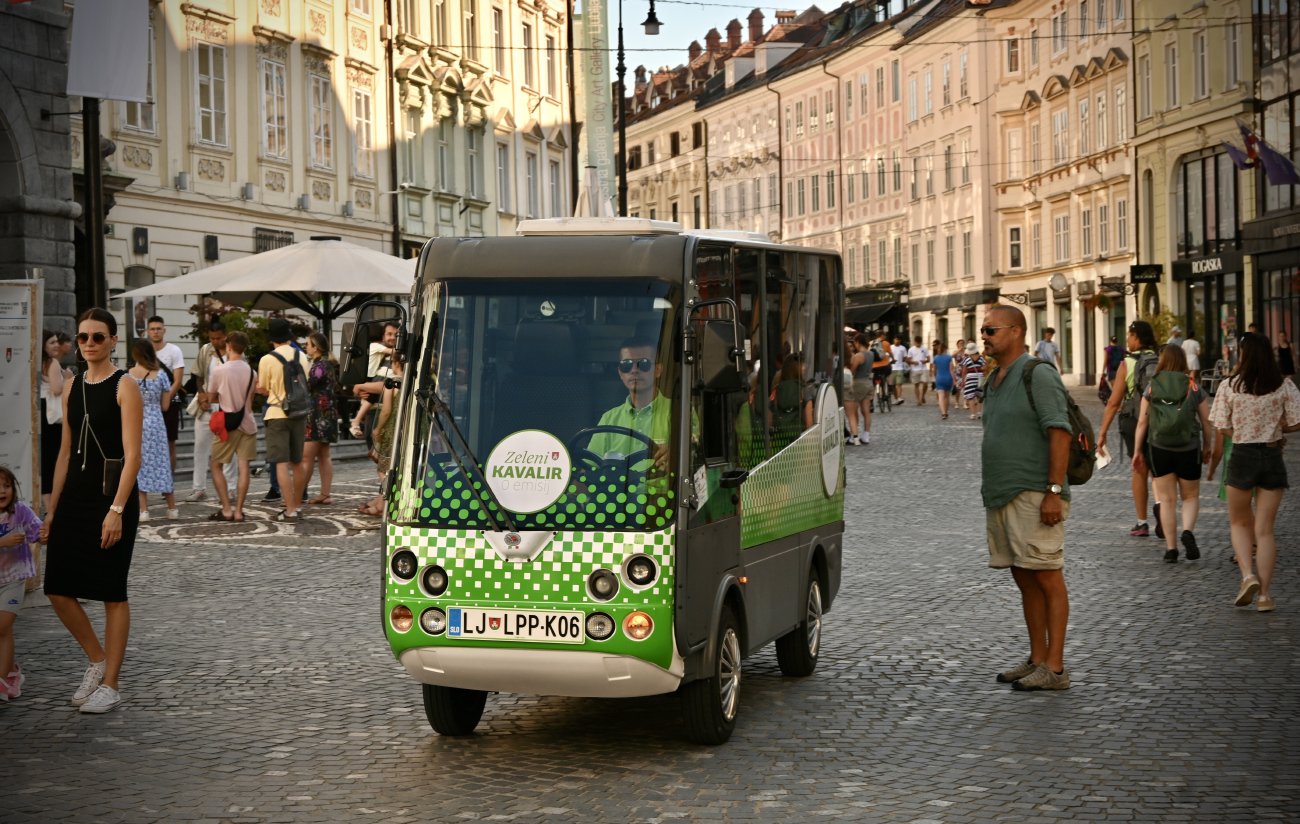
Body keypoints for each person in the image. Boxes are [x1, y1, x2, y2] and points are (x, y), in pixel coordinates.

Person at [40, 308, 143, 714]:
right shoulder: (71, 385)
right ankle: (97, 661)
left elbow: (133, 455)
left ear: (113, 341)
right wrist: (52, 509)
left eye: (98, 337)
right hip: (76, 498)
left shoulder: (126, 385)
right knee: (58, 588)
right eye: (83, 337)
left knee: (111, 592)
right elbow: (65, 451)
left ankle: (111, 683)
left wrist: (117, 509)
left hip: (111, 497)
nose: (89, 344)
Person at [979, 306, 1074, 691]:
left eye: (991, 329)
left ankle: (1056, 668)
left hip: (1035, 493)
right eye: (982, 330)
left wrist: (1052, 491)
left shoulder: (1039, 373)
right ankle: (1037, 657)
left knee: (1048, 576)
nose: (984, 335)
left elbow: (1060, 432)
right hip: (1003, 494)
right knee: (1024, 576)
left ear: (1016, 331)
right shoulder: (995, 378)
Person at [1210, 332, 1300, 612]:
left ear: (1244, 354)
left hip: (1242, 454)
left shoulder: (1230, 386)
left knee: (1238, 523)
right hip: (1272, 456)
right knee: (1265, 532)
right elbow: (1297, 422)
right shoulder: (1284, 385)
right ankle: (1265, 596)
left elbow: (1222, 426)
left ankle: (1247, 576)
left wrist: (1243, 430)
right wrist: (1275, 429)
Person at [1130, 345, 1212, 563]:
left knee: (1166, 500)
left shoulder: (1152, 387)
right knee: (1191, 496)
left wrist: (1138, 451)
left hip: (1159, 448)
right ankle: (1187, 531)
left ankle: (1171, 549)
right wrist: (1207, 446)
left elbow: (1142, 423)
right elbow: (1206, 422)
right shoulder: (1193, 386)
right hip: (1189, 448)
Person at [1097, 321, 1160, 537]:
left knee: (1139, 467)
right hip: (1161, 420)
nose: (1127, 340)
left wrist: (1103, 432)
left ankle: (1142, 522)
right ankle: (1161, 506)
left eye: (1129, 335)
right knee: (1158, 468)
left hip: (1133, 420)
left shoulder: (1127, 364)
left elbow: (1114, 403)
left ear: (1136, 337)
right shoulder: (1162, 359)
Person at [589, 339, 673, 472]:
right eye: (626, 365)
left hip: (664, 493)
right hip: (614, 492)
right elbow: (589, 469)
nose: (634, 370)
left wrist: (677, 452)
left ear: (658, 370)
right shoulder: (608, 419)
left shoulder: (680, 412)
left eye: (643, 364)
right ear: (621, 373)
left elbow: (694, 453)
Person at [258, 318, 311, 521]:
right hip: (299, 413)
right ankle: (297, 505)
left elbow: (263, 388)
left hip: (277, 413)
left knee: (281, 463)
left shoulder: (267, 359)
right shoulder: (302, 356)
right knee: (297, 462)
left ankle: (289, 510)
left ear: (272, 337)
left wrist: (262, 389)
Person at [206, 332, 257, 522]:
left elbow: (211, 397)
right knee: (244, 468)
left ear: (228, 347)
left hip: (227, 425)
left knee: (216, 465)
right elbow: (250, 400)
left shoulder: (220, 370)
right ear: (244, 349)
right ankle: (238, 511)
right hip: (248, 424)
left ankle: (226, 508)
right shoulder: (252, 372)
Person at [0, 465, 41, 701]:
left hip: (14, 578)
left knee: (3, 627)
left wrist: (45, 534)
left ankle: (2, 682)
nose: (3, 491)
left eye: (7, 486)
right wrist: (3, 542)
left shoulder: (21, 511)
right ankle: (13, 672)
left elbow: (38, 533)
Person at [185, 319, 237, 502]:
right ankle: (198, 488)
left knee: (228, 448)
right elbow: (198, 375)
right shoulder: (205, 350)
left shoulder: (234, 351)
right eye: (212, 338)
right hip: (206, 407)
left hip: (227, 407)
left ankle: (231, 489)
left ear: (226, 335)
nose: (215, 341)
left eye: (219, 338)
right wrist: (201, 394)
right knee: (200, 448)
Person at [128, 339, 178, 522]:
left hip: (137, 423)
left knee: (139, 464)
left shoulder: (129, 375)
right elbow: (165, 406)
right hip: (156, 424)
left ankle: (144, 511)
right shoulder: (162, 375)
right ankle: (172, 508)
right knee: (163, 463)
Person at [301, 331, 339, 504]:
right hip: (328, 412)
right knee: (324, 454)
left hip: (318, 413)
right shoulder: (327, 363)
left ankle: (297, 494)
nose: (306, 347)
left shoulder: (320, 365)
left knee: (307, 456)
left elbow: (308, 386)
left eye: (308, 344)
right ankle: (325, 493)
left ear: (315, 347)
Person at [39, 331, 74, 516]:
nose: (55, 345)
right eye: (51, 342)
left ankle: (48, 505)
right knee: (54, 458)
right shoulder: (52, 362)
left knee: (46, 459)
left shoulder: (41, 362)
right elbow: (57, 388)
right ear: (43, 345)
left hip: (43, 411)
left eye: (56, 342)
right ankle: (53, 507)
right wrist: (68, 377)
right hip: (51, 415)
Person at [146, 316, 185, 472]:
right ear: (148, 332)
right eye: (153, 329)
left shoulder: (174, 351)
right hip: (149, 404)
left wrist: (166, 400)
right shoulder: (145, 352)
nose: (156, 332)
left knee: (169, 443)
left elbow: (178, 380)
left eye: (158, 329)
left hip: (171, 402)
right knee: (149, 444)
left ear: (164, 330)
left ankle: (167, 483)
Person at [350, 322, 399, 439]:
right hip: (372, 415)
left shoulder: (399, 360)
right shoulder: (380, 353)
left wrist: (360, 386)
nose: (392, 337)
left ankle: (356, 421)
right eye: (389, 334)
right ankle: (357, 420)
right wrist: (358, 388)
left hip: (389, 415)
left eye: (396, 335)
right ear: (383, 336)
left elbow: (388, 385)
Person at [845, 333, 873, 445]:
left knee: (853, 411)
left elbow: (852, 370)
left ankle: (853, 435)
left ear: (858, 342)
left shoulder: (859, 355)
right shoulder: (871, 354)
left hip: (858, 383)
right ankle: (866, 435)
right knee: (866, 411)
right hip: (868, 383)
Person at [960, 342, 986, 419]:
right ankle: (979, 413)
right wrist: (980, 368)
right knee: (979, 396)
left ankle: (972, 414)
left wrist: (962, 380)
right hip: (979, 378)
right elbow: (985, 368)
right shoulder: (981, 358)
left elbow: (964, 371)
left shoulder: (967, 359)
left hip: (970, 378)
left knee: (971, 397)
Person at [932, 343, 955, 419]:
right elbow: (951, 369)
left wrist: (936, 377)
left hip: (939, 378)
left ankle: (943, 413)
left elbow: (934, 369)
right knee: (947, 397)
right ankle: (946, 411)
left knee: (941, 396)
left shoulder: (936, 358)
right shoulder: (949, 358)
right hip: (948, 377)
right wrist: (954, 380)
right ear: (946, 349)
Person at [908, 336, 931, 405]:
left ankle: (923, 396)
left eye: (920, 343)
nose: (919, 344)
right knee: (916, 384)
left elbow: (929, 358)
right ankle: (918, 399)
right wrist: (913, 362)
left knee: (925, 383)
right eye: (917, 343)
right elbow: (908, 359)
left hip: (923, 368)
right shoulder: (911, 349)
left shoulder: (925, 348)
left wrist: (925, 361)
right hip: (915, 369)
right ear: (915, 342)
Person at [890, 334, 908, 404]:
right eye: (896, 339)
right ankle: (896, 398)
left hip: (899, 367)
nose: (897, 341)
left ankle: (899, 397)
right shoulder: (890, 347)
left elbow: (905, 358)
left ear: (900, 340)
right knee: (893, 385)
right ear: (894, 340)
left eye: (898, 339)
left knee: (899, 384)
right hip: (892, 368)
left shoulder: (903, 348)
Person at [953, 339, 967, 408]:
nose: (962, 344)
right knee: (958, 388)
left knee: (965, 387)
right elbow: (952, 356)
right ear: (957, 345)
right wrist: (959, 350)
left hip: (965, 371)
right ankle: (957, 402)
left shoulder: (966, 353)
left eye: (963, 343)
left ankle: (965, 403)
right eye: (960, 343)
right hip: (957, 371)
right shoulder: (956, 352)